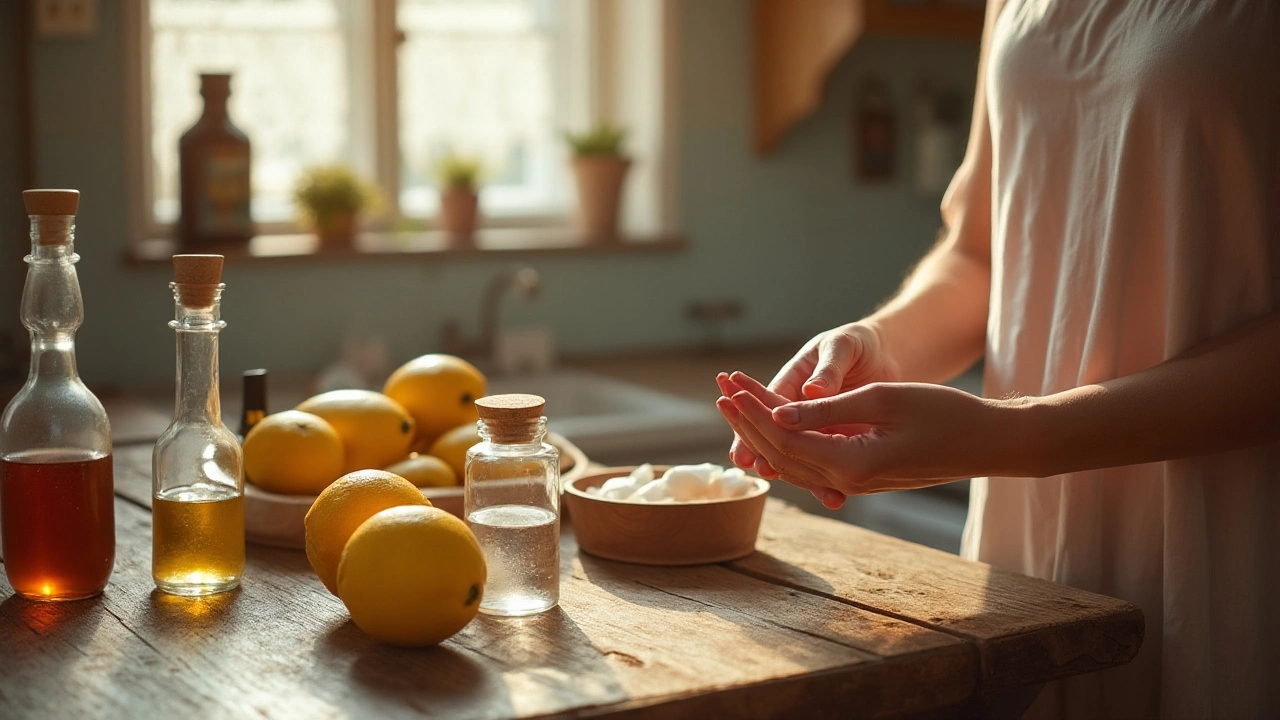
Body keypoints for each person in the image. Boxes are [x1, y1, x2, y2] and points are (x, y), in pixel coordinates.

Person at [715, 1, 1280, 718]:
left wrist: (1015, 435)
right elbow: (981, 249)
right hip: (1027, 540)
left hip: (1232, 537)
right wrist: (880, 344)